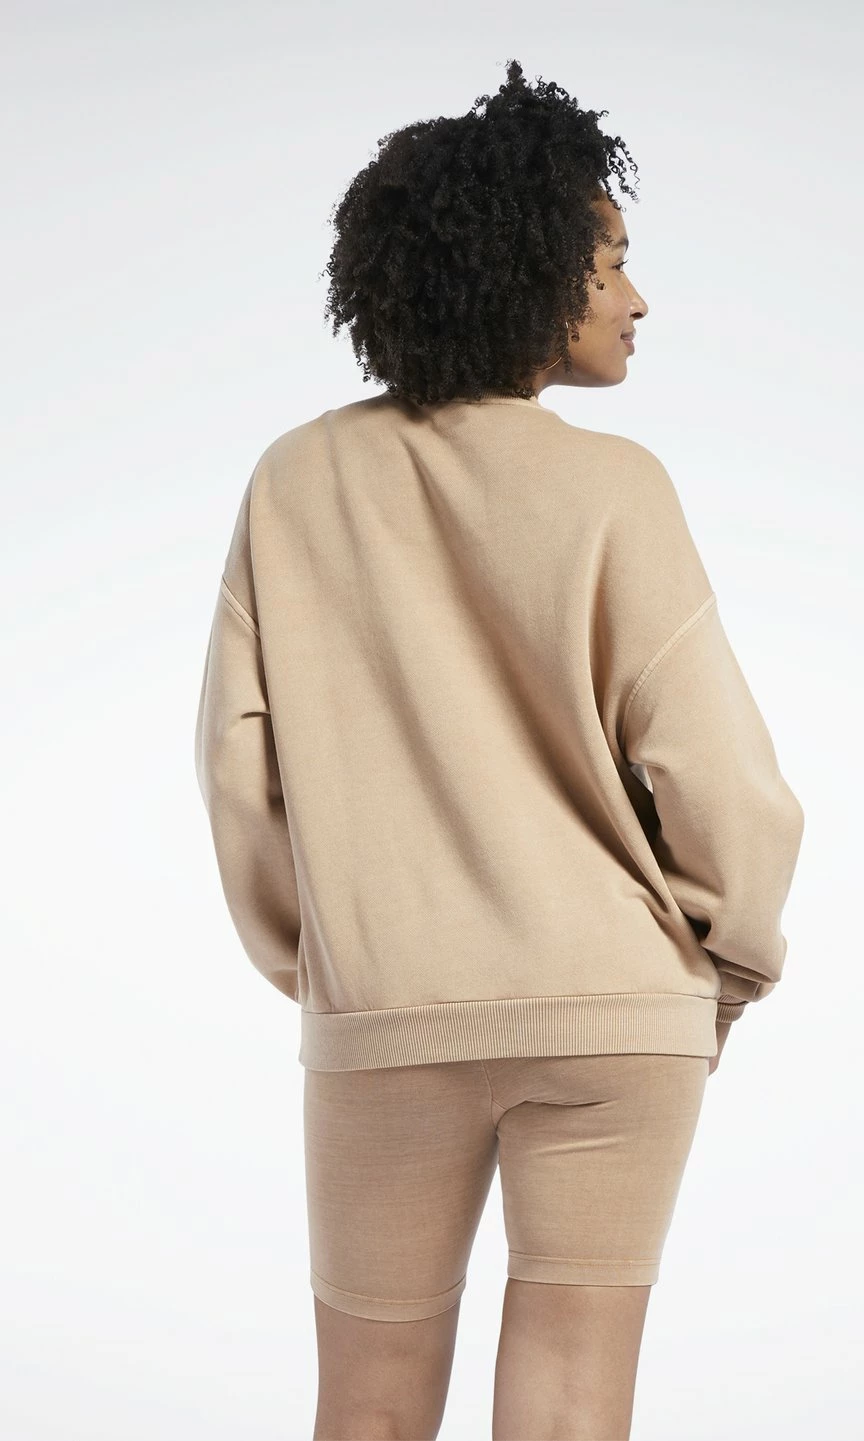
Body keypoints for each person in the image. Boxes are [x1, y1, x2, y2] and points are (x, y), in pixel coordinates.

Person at [194, 57, 805, 1441]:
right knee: (574, 1405)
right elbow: (724, 779)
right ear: (529, 273)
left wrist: (339, 965)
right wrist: (729, 964)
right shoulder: (615, 487)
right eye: (612, 263)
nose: (637, 299)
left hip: (383, 1014)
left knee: (365, 1407)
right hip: (616, 1014)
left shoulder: (295, 479)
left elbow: (239, 771)